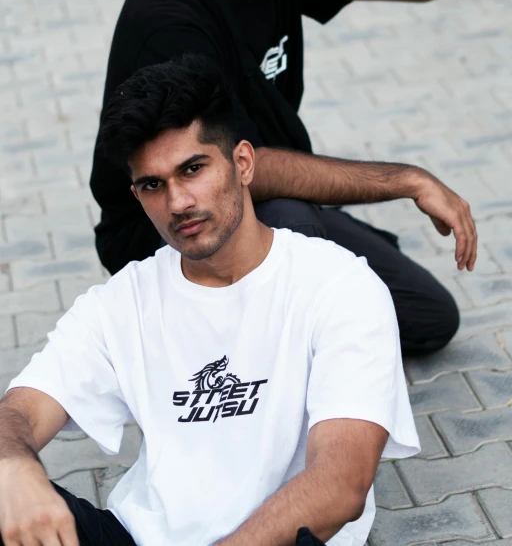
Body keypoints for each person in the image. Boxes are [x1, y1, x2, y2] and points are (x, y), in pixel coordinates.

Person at [90, 0, 477, 355]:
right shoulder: (167, 15)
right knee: (292, 219)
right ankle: (239, 360)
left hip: (261, 204)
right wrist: (407, 180)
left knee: (426, 315)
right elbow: (236, 165)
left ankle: (287, 315)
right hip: (170, 228)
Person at [0, 57, 419, 546]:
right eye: (153, 185)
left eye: (192, 169)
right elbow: (21, 410)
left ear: (242, 163)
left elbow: (340, 484)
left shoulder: (338, 285)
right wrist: (12, 467)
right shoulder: (122, 302)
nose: (177, 202)